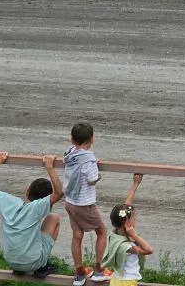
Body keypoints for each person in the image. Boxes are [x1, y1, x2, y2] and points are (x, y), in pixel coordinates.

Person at [0, 151, 64, 278]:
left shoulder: (8, 202)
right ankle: (42, 267)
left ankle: (20, 268)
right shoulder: (39, 207)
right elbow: (59, 193)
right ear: (46, 202)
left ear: (27, 191)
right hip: (33, 262)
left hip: (10, 260)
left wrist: (0, 161)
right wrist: (49, 167)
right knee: (53, 218)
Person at [64, 122, 111, 285]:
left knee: (77, 235)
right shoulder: (89, 160)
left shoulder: (70, 154)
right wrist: (97, 172)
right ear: (92, 139)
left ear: (72, 139)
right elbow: (92, 180)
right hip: (84, 203)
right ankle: (98, 271)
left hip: (70, 201)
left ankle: (79, 274)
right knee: (102, 231)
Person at [101, 173, 150, 286]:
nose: (135, 220)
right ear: (127, 222)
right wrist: (135, 236)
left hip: (117, 279)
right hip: (126, 283)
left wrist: (135, 184)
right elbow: (149, 250)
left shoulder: (115, 234)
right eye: (134, 218)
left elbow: (127, 206)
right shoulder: (127, 245)